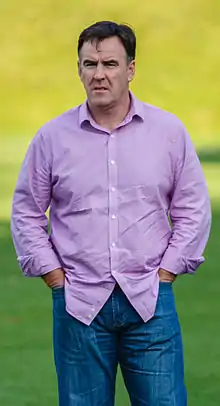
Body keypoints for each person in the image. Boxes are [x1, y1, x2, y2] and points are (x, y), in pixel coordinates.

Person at [11, 21, 211, 406]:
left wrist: (167, 271)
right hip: (78, 305)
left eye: (110, 64)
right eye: (89, 64)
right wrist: (54, 276)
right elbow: (26, 212)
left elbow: (193, 208)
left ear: (131, 69)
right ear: (79, 69)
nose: (99, 74)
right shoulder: (52, 138)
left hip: (150, 301)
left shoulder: (167, 132)